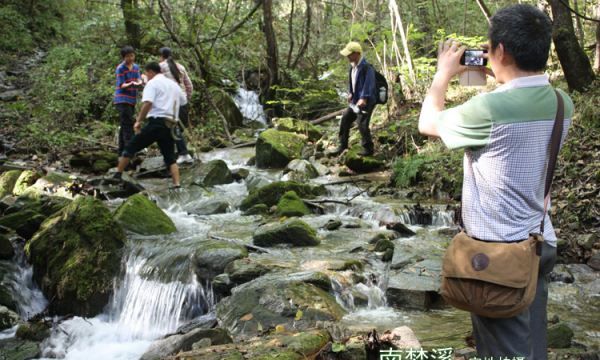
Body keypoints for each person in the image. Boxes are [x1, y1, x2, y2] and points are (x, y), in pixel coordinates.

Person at [418, 5, 573, 359]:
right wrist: (505, 75)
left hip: (498, 258)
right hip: (539, 243)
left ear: (499, 51)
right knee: (532, 343)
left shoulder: (487, 110)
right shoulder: (563, 103)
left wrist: (443, 74)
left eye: (491, 49)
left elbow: (427, 123)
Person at [114, 62, 187, 188]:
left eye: (146, 74)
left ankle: (117, 175)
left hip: (156, 122)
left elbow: (148, 103)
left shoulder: (152, 83)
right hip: (170, 124)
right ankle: (177, 184)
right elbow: (183, 101)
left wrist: (138, 121)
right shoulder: (174, 85)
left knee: (131, 147)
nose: (146, 76)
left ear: (151, 72)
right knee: (170, 157)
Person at [330, 41, 377, 157]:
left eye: (349, 54)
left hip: (366, 101)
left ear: (357, 53)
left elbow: (369, 84)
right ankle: (342, 145)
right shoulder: (352, 68)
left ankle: (368, 149)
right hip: (355, 101)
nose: (347, 56)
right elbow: (353, 83)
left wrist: (364, 98)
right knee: (345, 118)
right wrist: (351, 93)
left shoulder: (367, 67)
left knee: (362, 123)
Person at [159, 47, 194, 164]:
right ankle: (181, 152)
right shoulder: (181, 67)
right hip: (182, 100)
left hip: (171, 101)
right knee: (177, 127)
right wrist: (187, 98)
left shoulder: (161, 67)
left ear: (161, 56)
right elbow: (189, 86)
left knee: (174, 128)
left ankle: (183, 153)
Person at [114, 45, 142, 156]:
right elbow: (121, 84)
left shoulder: (136, 67)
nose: (130, 58)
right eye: (127, 56)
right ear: (123, 57)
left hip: (132, 99)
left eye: (132, 55)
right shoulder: (120, 68)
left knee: (124, 124)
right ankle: (129, 152)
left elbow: (139, 79)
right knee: (128, 125)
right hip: (122, 99)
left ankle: (121, 152)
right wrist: (130, 84)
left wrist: (139, 82)